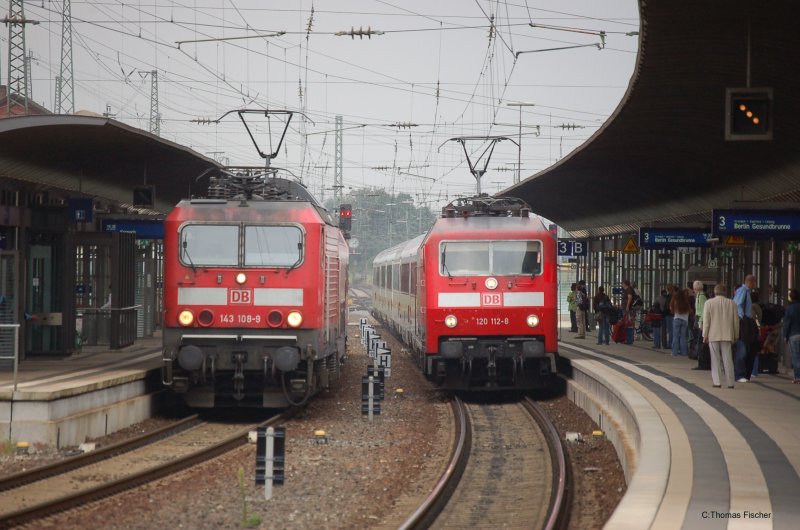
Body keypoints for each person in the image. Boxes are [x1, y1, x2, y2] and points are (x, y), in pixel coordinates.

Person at [702, 283, 740, 388]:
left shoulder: (708, 303)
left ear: (714, 292)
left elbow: (706, 321)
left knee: (715, 359)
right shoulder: (732, 303)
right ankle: (730, 382)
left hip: (713, 334)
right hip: (727, 335)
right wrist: (736, 335)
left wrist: (705, 334)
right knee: (728, 359)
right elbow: (736, 322)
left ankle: (717, 382)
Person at [733, 274, 758, 382]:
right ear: (751, 282)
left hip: (746, 322)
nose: (755, 285)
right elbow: (737, 305)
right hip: (744, 323)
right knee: (742, 350)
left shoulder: (747, 292)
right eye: (754, 282)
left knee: (747, 349)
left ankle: (744, 374)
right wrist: (742, 318)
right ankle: (739, 375)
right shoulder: (743, 291)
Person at [783, 288, 800, 384]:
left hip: (793, 334)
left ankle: (798, 377)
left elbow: (787, 323)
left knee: (796, 357)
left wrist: (785, 335)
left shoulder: (790, 308)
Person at [670, 288, 691, 356]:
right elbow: (689, 311)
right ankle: (684, 352)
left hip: (677, 319)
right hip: (685, 321)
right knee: (683, 337)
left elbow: (671, 309)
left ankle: (674, 352)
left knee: (675, 336)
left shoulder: (675, 301)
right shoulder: (686, 302)